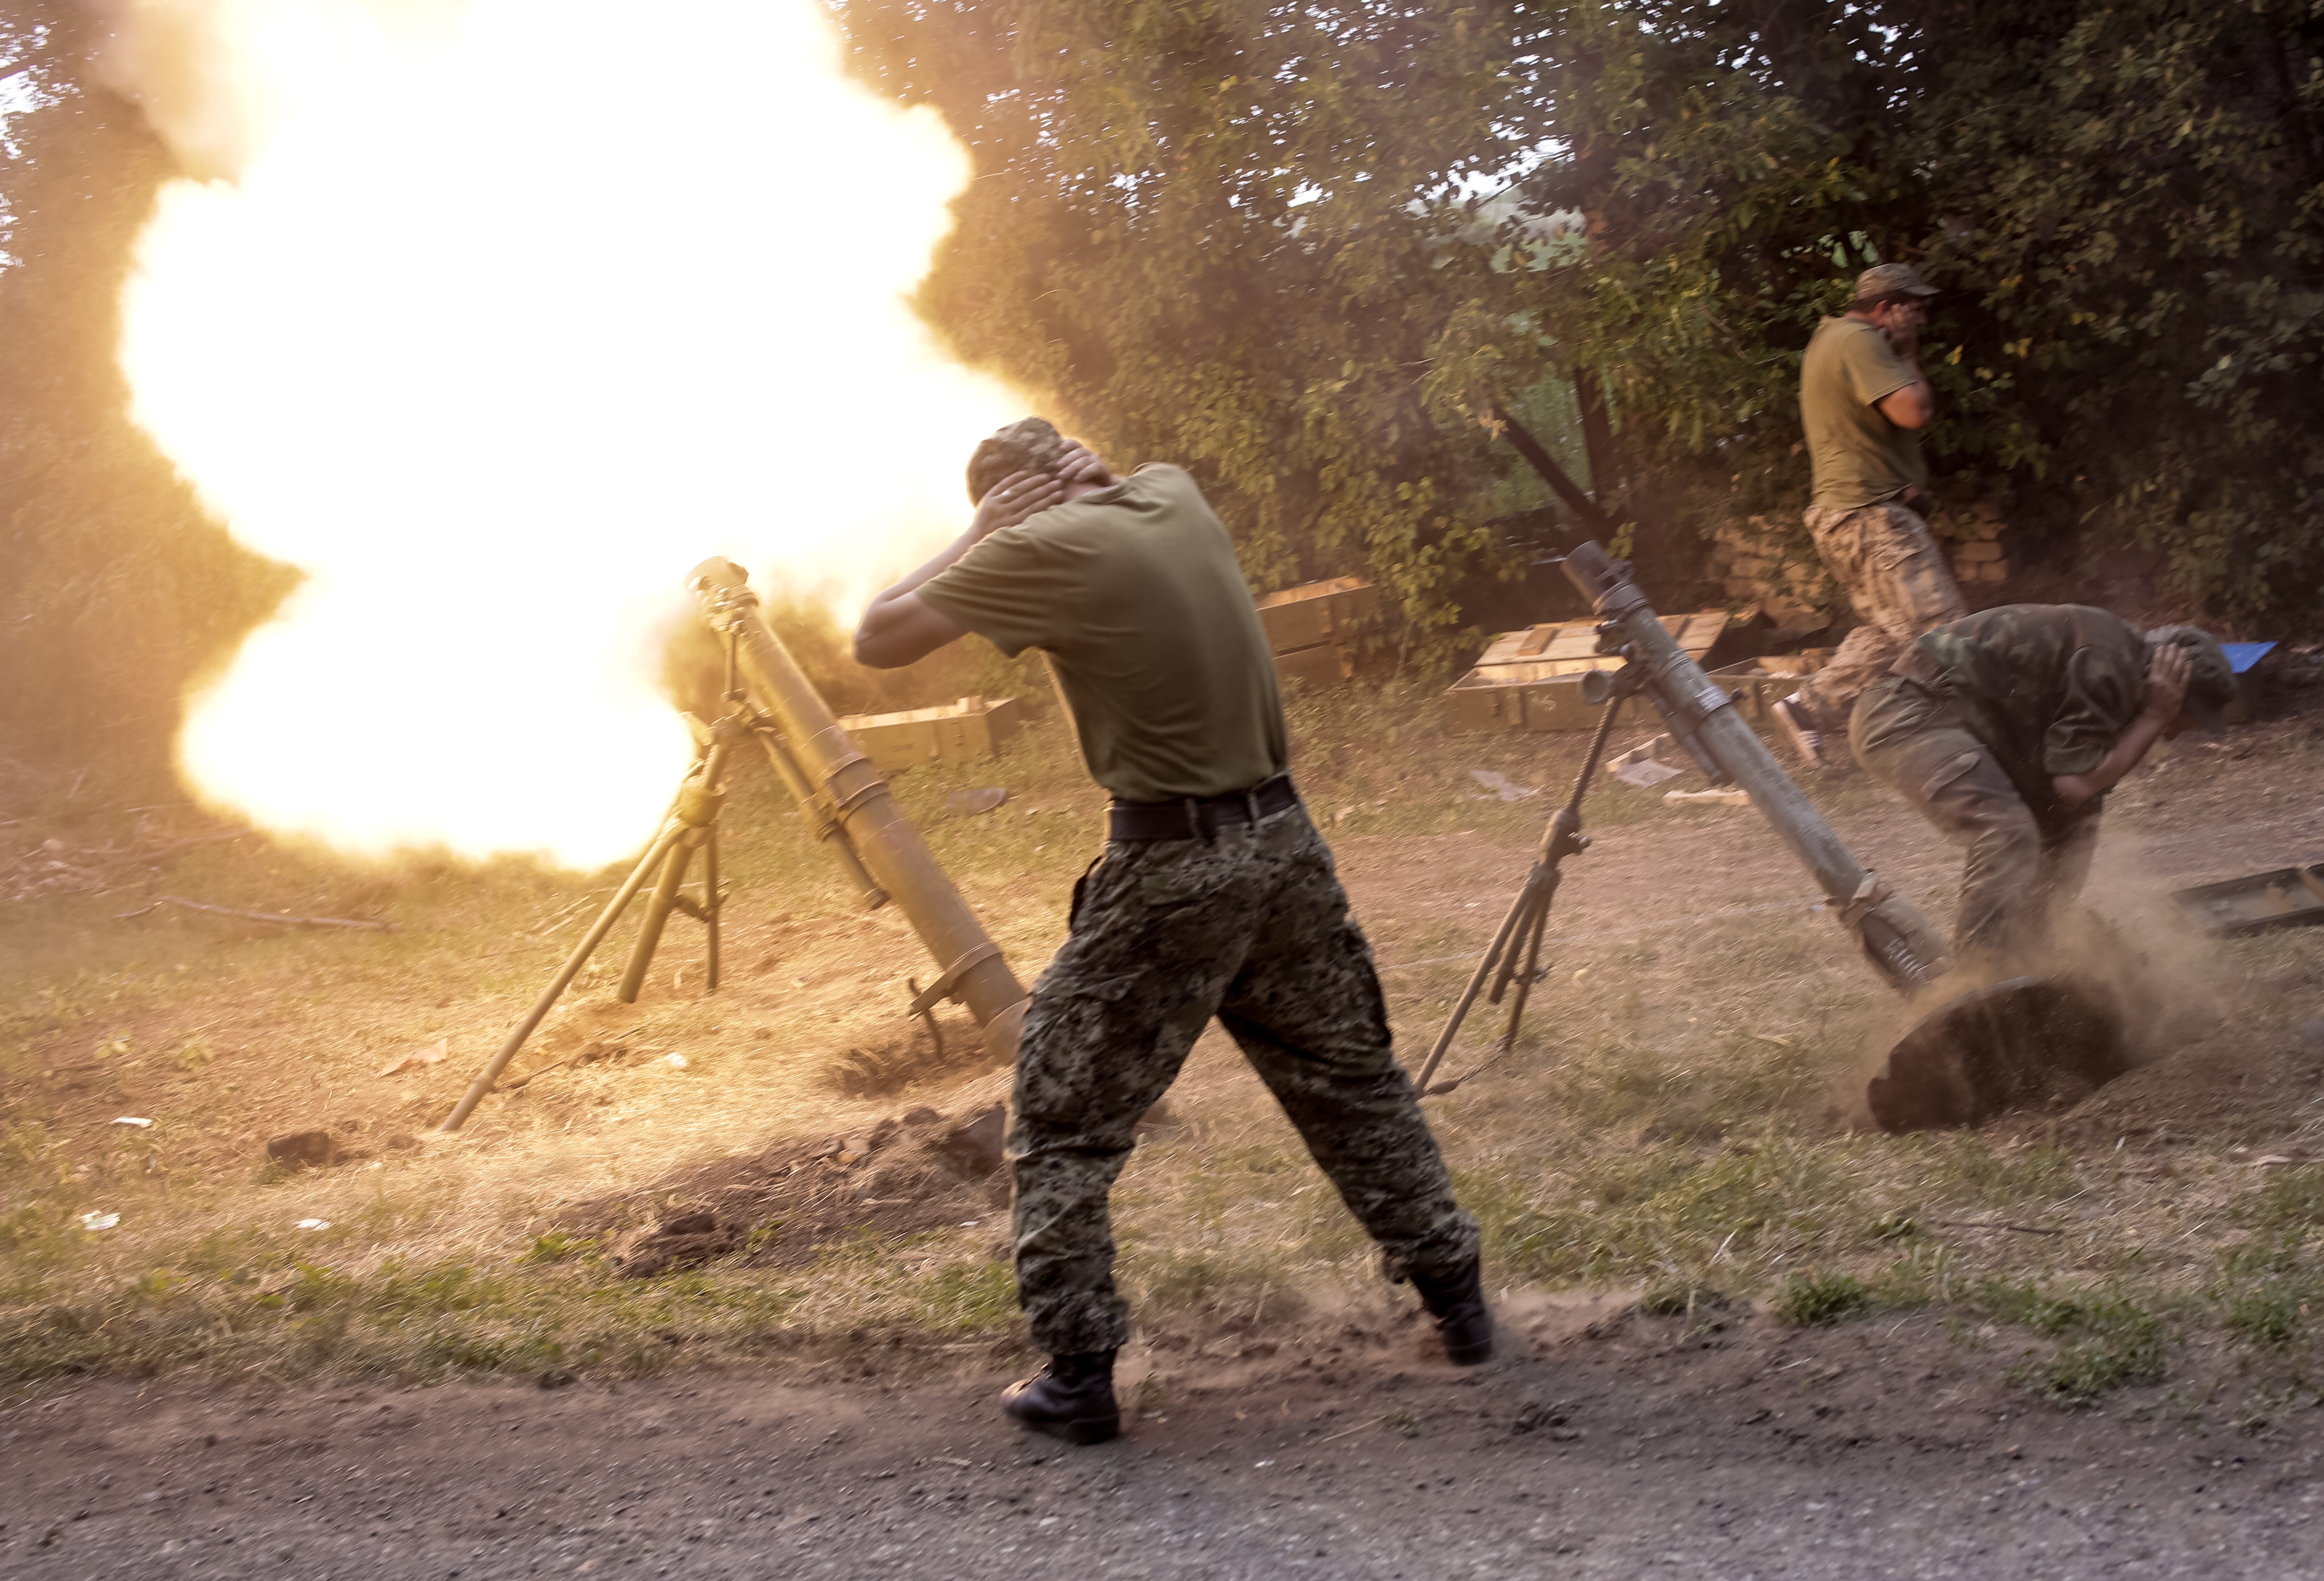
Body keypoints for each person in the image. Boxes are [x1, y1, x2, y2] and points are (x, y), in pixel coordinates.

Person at [854, 419, 1490, 1447]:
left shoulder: (1030, 546)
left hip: (1172, 866)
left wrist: (975, 533)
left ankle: (1077, 1373)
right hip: (1284, 844)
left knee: (1060, 1115)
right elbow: (1117, 494)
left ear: (1012, 497)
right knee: (1348, 1078)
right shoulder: (1172, 493)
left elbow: (876, 636)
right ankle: (1457, 1301)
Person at [1850, 605, 2234, 965]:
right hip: (1904, 711)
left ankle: (2044, 964)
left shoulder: (2123, 669)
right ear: (2171, 686)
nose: (2177, 730)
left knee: (2070, 837)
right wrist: (2152, 717)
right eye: (2187, 716)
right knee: (2007, 832)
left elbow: (2078, 795)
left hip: (1960, 722)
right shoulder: (2112, 662)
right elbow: (2074, 785)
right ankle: (1981, 986)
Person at [1772, 261, 1969, 769]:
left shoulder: (1830, 339)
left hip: (1849, 517)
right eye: (1915, 309)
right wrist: (1907, 354)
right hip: (1869, 517)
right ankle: (1969, 748)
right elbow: (1912, 411)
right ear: (1886, 309)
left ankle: (1806, 708)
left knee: (1887, 636)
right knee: (1945, 634)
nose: (1921, 319)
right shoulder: (1862, 341)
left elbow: (1861, 431)